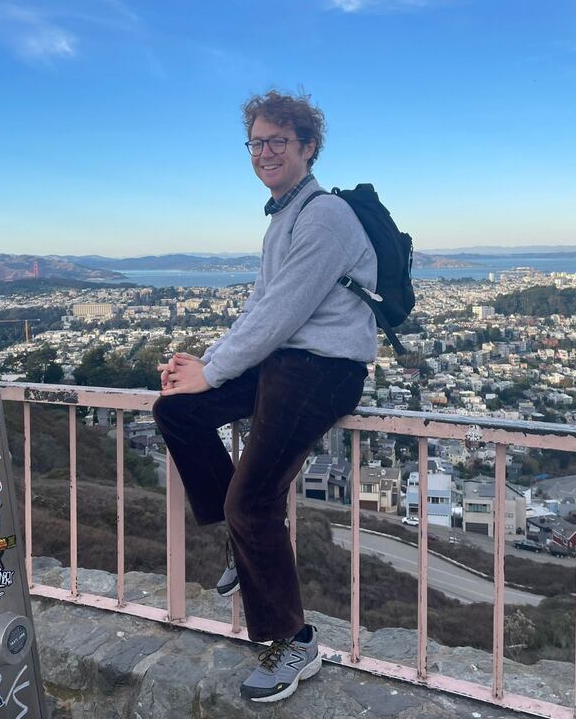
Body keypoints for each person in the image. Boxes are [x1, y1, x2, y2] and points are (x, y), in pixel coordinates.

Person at [152, 89, 378, 703]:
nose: (265, 152)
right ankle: (239, 542)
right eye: (256, 142)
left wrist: (215, 370)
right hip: (285, 361)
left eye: (279, 140)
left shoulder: (324, 216)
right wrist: (209, 366)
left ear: (309, 147)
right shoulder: (285, 216)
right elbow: (261, 306)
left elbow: (283, 311)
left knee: (252, 501)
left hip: (324, 369)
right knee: (178, 409)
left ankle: (294, 642)